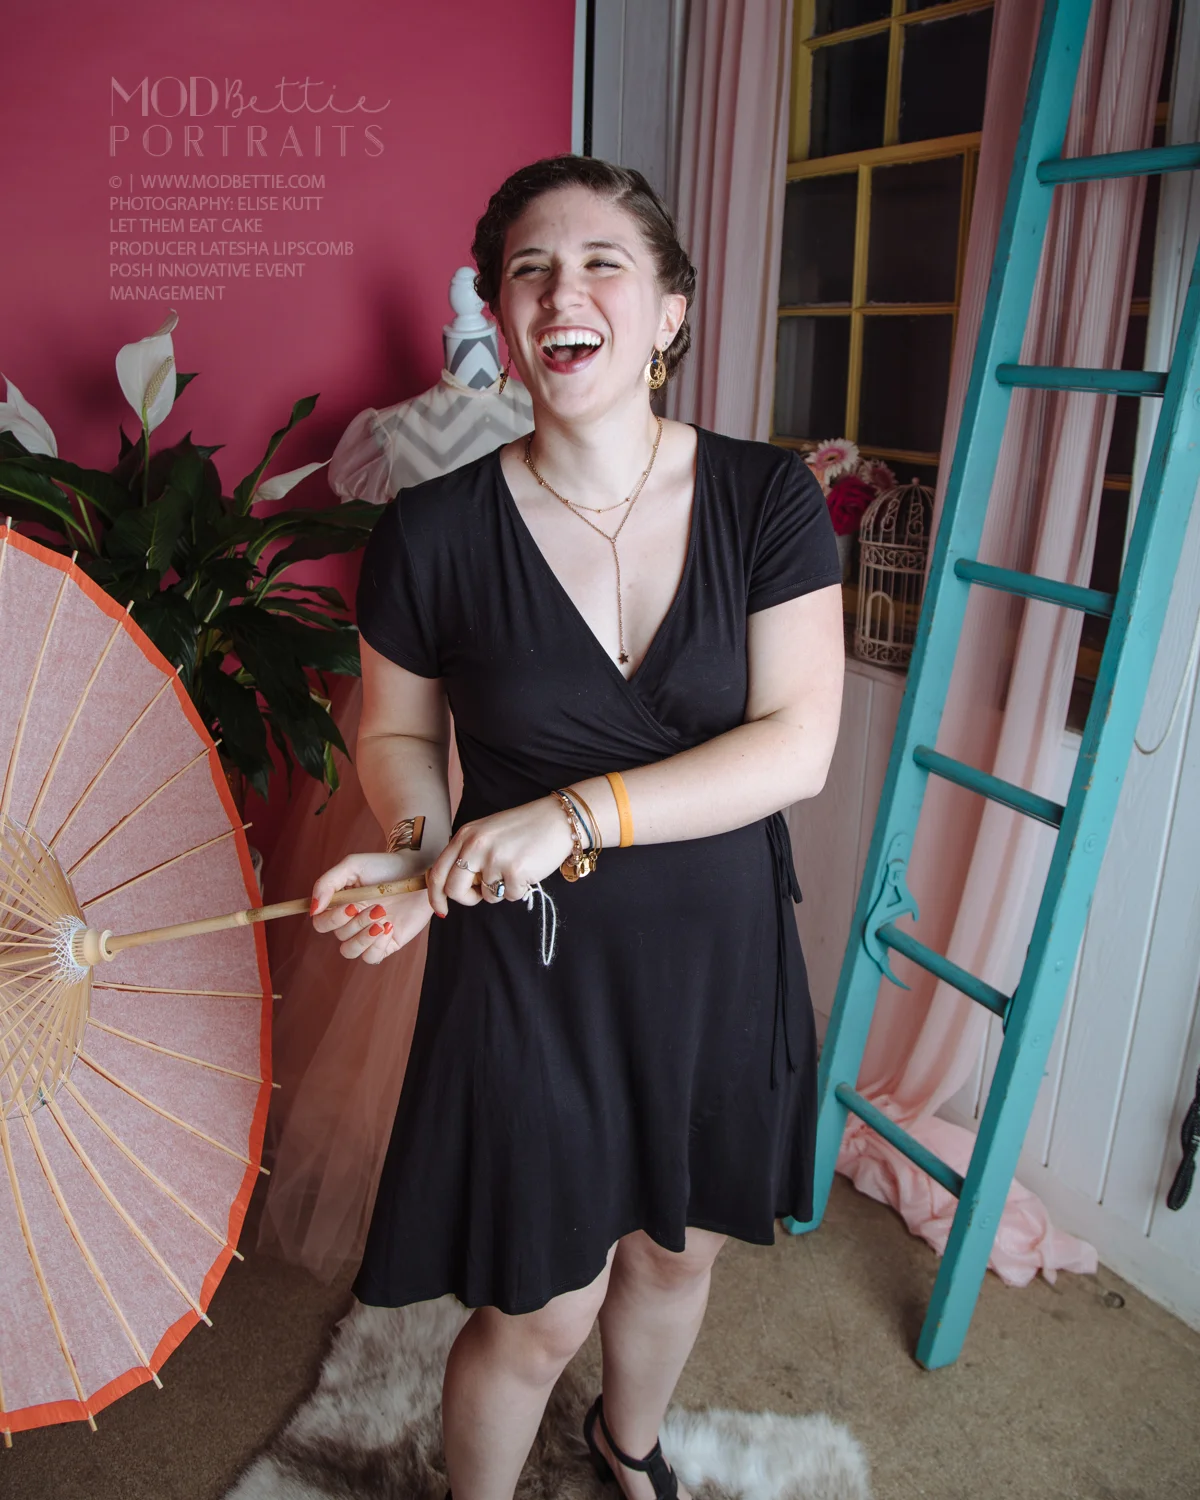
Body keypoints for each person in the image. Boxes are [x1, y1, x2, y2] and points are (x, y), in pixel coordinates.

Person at [310, 154, 845, 1500]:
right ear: (503, 315)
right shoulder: (431, 534)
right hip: (530, 969)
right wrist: (420, 841)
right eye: (530, 271)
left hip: (718, 959)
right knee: (539, 1306)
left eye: (604, 262)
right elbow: (397, 738)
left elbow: (800, 744)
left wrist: (574, 812)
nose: (564, 291)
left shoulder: (767, 500)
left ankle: (628, 1447)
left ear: (668, 312)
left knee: (678, 1250)